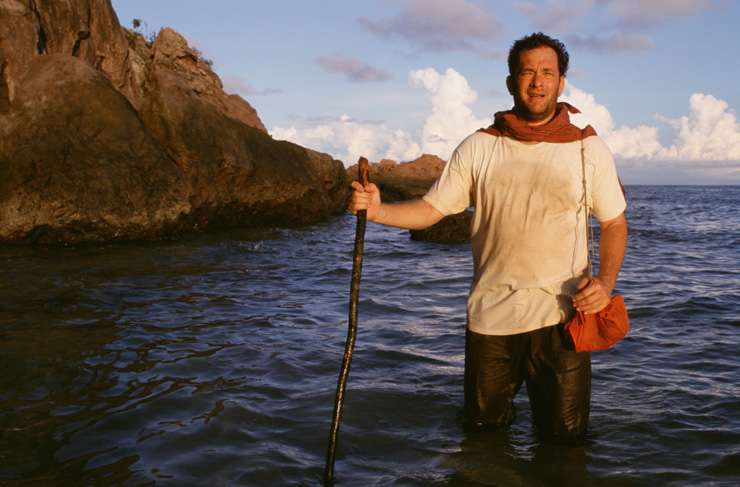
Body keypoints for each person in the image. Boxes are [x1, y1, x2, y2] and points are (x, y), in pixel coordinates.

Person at [348, 32, 628, 443]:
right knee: (482, 443)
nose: (537, 81)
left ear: (561, 82)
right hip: (491, 321)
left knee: (566, 446)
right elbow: (431, 210)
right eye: (528, 72)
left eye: (547, 72)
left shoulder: (587, 148)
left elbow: (614, 223)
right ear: (511, 81)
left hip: (562, 323)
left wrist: (605, 284)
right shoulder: (479, 146)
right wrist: (377, 211)